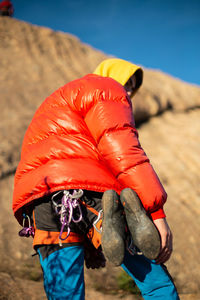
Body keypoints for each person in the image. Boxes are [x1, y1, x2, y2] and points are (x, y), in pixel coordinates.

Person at [13, 58, 179, 299]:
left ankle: (103, 227)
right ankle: (112, 223)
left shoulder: (59, 100)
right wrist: (156, 213)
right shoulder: (107, 89)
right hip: (89, 193)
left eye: (133, 86)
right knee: (155, 281)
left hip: (42, 199)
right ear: (111, 75)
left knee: (64, 288)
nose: (130, 91)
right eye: (128, 83)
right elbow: (123, 151)